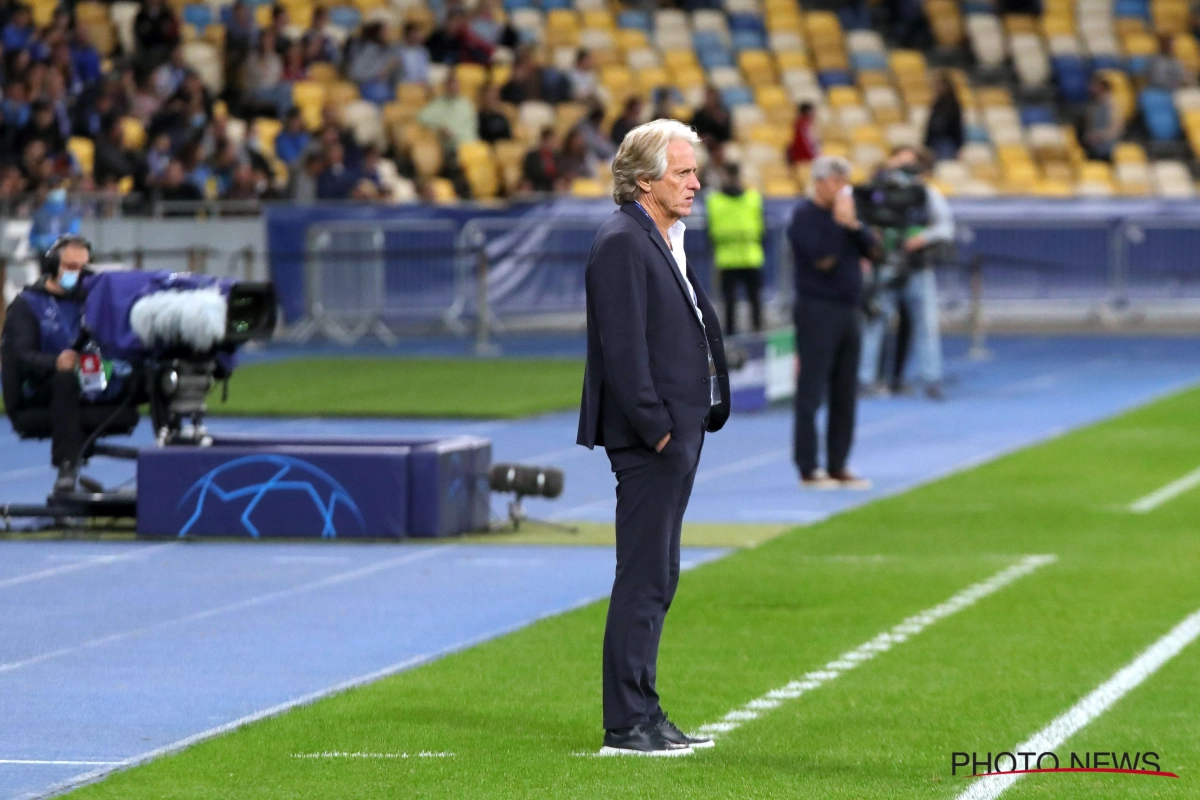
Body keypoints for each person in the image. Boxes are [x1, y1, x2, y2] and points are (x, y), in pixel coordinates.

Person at [576, 119, 730, 757]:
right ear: (644, 180)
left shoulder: (662, 237)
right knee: (642, 577)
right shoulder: (622, 242)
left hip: (678, 429)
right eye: (683, 171)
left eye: (695, 171)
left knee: (658, 575)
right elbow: (624, 352)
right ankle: (626, 723)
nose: (696, 182)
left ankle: (645, 710)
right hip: (653, 439)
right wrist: (661, 432)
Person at [1, 235, 139, 494]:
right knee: (65, 380)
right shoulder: (27, 305)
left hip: (90, 383)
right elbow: (21, 357)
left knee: (148, 374)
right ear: (53, 265)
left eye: (82, 267)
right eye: (70, 267)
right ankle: (67, 468)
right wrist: (56, 362)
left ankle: (176, 452)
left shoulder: (90, 302)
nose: (77, 274)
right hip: (41, 390)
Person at [787, 155, 878, 489]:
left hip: (849, 309)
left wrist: (854, 226)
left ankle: (839, 463)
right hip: (817, 308)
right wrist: (841, 226)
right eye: (836, 181)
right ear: (819, 182)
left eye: (845, 181)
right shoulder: (804, 217)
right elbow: (822, 260)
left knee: (845, 391)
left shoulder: (849, 216)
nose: (842, 188)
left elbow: (874, 251)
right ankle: (808, 467)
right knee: (811, 390)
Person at [857, 147, 952, 400]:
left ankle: (931, 379)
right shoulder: (877, 193)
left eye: (908, 166)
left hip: (917, 268)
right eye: (899, 165)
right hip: (885, 266)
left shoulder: (925, 194)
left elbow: (945, 227)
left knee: (925, 326)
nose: (902, 173)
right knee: (874, 322)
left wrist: (923, 237)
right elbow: (860, 218)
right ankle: (864, 380)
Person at [705, 164, 764, 334]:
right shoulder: (715, 200)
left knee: (753, 300)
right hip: (731, 258)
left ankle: (754, 332)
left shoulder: (752, 198)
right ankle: (733, 335)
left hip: (746, 257)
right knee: (731, 302)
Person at [923, 74, 963, 161]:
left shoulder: (953, 105)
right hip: (934, 141)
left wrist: (959, 145)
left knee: (945, 164)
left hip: (947, 142)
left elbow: (957, 126)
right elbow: (931, 124)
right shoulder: (937, 103)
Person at [1083, 75, 1122, 161]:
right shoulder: (1094, 104)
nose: (1090, 88)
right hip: (1093, 146)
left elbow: (1115, 129)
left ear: (1102, 87)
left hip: (1106, 148)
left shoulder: (1112, 105)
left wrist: (1098, 137)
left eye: (1094, 85)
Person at [520, 127, 560, 192]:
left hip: (553, 185)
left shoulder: (557, 156)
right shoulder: (532, 156)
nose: (554, 143)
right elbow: (528, 173)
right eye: (551, 140)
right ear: (544, 140)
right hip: (536, 184)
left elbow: (560, 173)